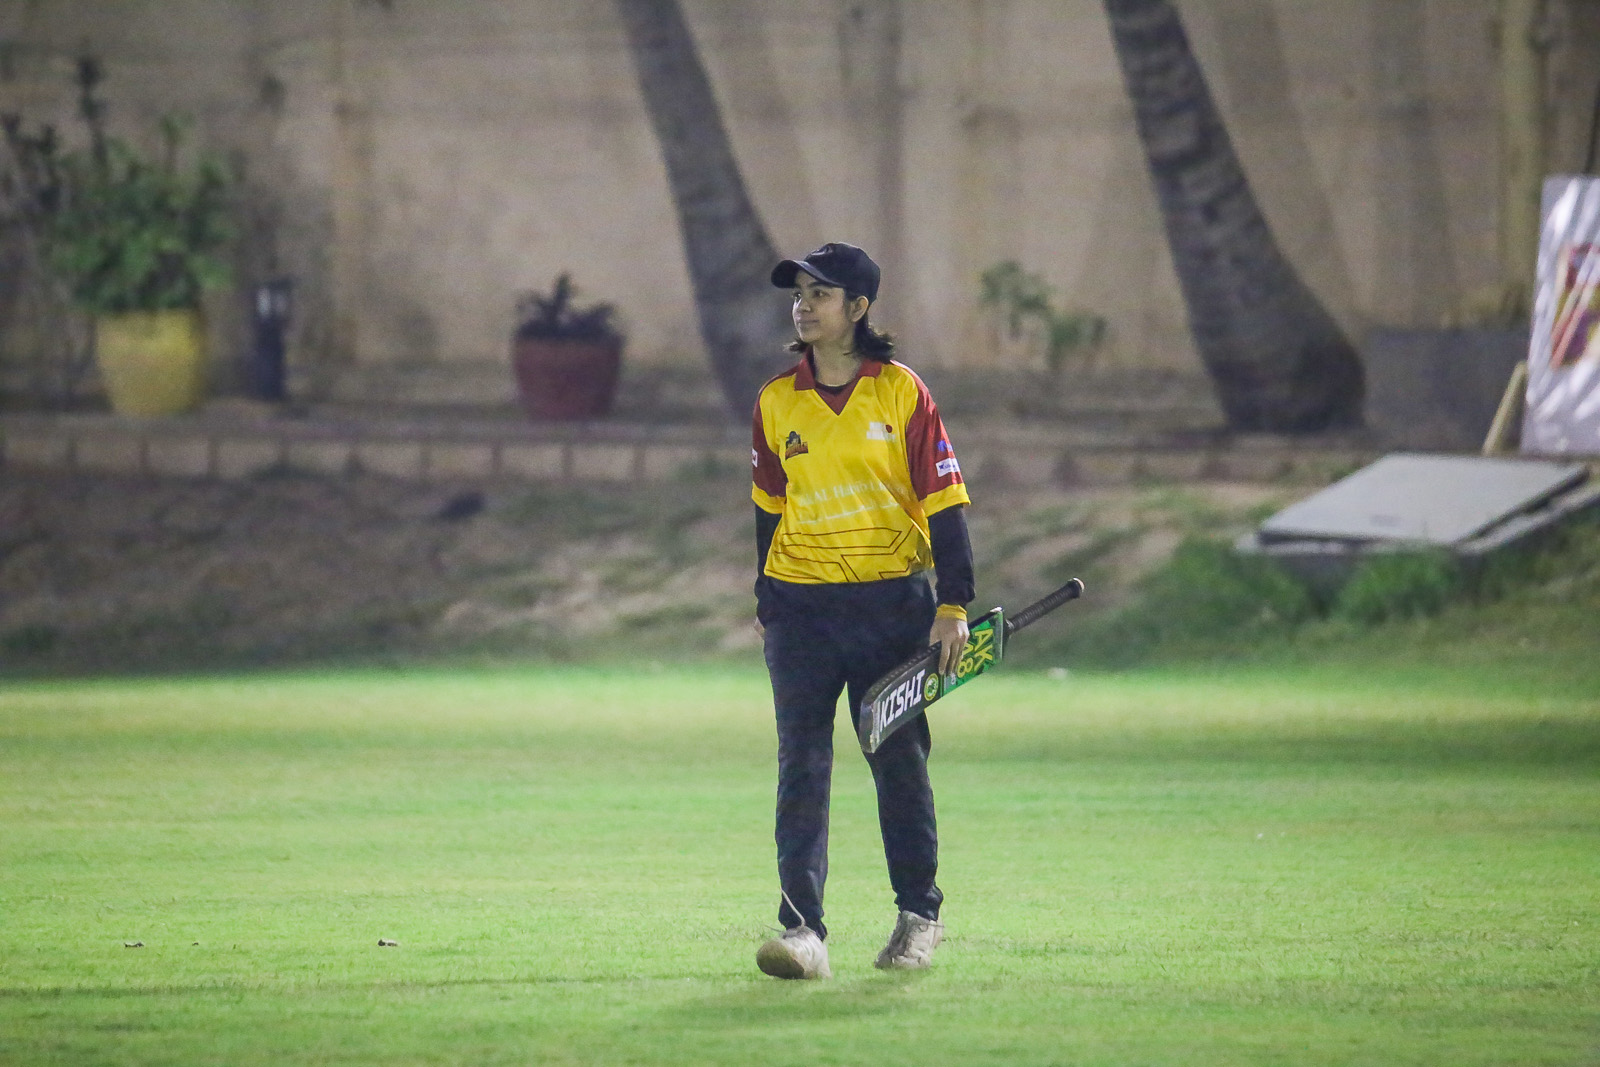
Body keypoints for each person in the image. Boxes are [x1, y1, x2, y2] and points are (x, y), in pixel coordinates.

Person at [750, 242, 975, 979]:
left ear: (858, 307)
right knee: (802, 763)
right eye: (799, 294)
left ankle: (919, 916)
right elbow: (768, 508)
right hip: (801, 611)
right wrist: (768, 598)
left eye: (820, 294)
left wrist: (953, 603)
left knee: (897, 759)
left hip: (891, 606)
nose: (803, 305)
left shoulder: (901, 392)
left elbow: (944, 500)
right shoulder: (777, 400)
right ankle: (802, 931)